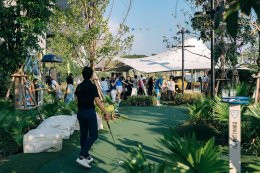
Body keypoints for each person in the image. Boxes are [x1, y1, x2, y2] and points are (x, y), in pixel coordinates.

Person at [75, 67, 110, 168]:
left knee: (84, 134)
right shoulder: (92, 86)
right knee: (94, 135)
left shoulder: (79, 86)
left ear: (83, 75)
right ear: (91, 75)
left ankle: (85, 155)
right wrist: (106, 112)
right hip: (89, 112)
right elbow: (98, 102)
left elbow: (77, 100)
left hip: (80, 112)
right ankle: (82, 156)